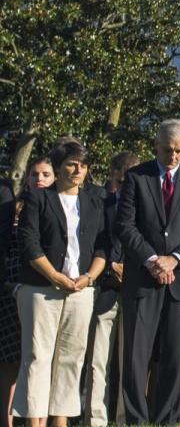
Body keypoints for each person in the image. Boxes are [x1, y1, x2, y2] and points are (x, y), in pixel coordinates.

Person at [116, 119, 180, 425]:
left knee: (173, 357)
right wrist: (152, 260)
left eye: (179, 151)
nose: (173, 156)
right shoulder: (136, 177)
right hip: (143, 280)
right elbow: (125, 225)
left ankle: (167, 419)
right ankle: (135, 418)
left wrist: (174, 260)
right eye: (168, 150)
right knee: (136, 356)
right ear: (156, 145)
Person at [12, 141, 108, 427]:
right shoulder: (38, 199)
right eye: (71, 164)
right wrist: (54, 276)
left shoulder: (94, 202)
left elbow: (102, 247)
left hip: (81, 291)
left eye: (83, 164)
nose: (78, 170)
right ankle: (34, 422)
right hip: (41, 291)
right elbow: (29, 243)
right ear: (58, 167)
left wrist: (88, 277)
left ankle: (61, 422)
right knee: (38, 358)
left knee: (71, 359)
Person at [84, 151, 136, 427]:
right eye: (115, 181)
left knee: (129, 362)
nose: (117, 188)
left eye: (123, 183)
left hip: (133, 291)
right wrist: (109, 267)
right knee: (97, 362)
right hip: (104, 290)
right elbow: (92, 242)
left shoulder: (143, 207)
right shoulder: (99, 203)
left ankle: (124, 418)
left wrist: (129, 270)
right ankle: (95, 419)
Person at [0, 158, 51, 427]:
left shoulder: (58, 208)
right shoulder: (13, 206)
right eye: (34, 174)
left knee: (38, 358)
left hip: (44, 289)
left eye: (45, 174)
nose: (39, 179)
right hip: (10, 289)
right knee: (10, 360)